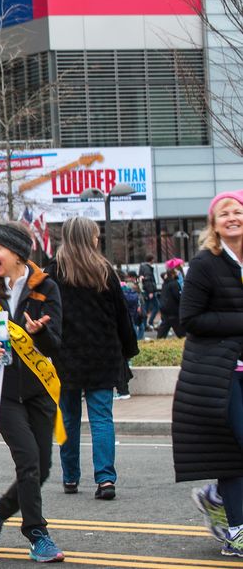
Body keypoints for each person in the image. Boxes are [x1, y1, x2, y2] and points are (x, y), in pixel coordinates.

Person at [0, 222, 66, 563]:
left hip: (39, 390)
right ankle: (37, 533)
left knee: (43, 467)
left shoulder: (45, 287)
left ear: (18, 253)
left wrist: (38, 333)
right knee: (28, 461)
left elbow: (55, 343)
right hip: (2, 392)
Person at [44, 217, 138, 501]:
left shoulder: (54, 272)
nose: (98, 240)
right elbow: (121, 314)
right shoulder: (104, 271)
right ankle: (105, 479)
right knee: (101, 418)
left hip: (67, 355)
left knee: (69, 417)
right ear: (89, 238)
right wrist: (127, 349)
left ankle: (71, 476)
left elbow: (46, 313)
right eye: (96, 236)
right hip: (102, 354)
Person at [172, 190, 243, 556]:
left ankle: (215, 497)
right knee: (236, 449)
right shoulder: (205, 264)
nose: (232, 217)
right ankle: (236, 531)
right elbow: (190, 320)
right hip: (222, 373)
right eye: (224, 213)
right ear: (214, 225)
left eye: (238, 211)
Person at [156, 268, 186, 339]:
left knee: (165, 326)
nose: (177, 273)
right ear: (173, 274)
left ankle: (159, 340)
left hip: (165, 308)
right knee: (180, 330)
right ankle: (184, 339)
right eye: (176, 272)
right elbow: (177, 296)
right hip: (173, 309)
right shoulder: (174, 283)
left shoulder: (165, 283)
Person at [139, 255, 159, 329]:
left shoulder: (143, 267)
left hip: (145, 290)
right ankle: (150, 322)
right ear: (151, 260)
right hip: (149, 291)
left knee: (146, 308)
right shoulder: (147, 269)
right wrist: (151, 291)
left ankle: (145, 324)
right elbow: (148, 280)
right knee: (156, 307)